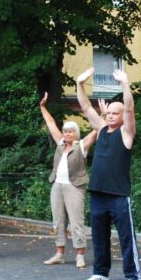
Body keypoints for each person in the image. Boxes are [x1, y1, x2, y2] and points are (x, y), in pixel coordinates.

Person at [76, 67, 141, 280]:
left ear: (122, 116)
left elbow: (130, 108)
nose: (111, 115)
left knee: (125, 237)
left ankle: (132, 275)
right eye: (109, 113)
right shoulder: (102, 129)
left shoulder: (127, 133)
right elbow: (85, 106)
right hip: (98, 193)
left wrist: (125, 84)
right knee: (99, 236)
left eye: (116, 113)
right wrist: (79, 84)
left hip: (118, 194)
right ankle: (100, 272)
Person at [39, 92, 97, 268]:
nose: (66, 134)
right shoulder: (60, 144)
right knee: (58, 221)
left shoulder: (82, 146)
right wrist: (43, 107)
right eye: (65, 131)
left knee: (76, 221)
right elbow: (50, 124)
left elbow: (97, 130)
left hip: (75, 186)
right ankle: (59, 253)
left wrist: (101, 115)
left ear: (76, 133)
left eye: (70, 131)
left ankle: (80, 255)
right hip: (57, 185)